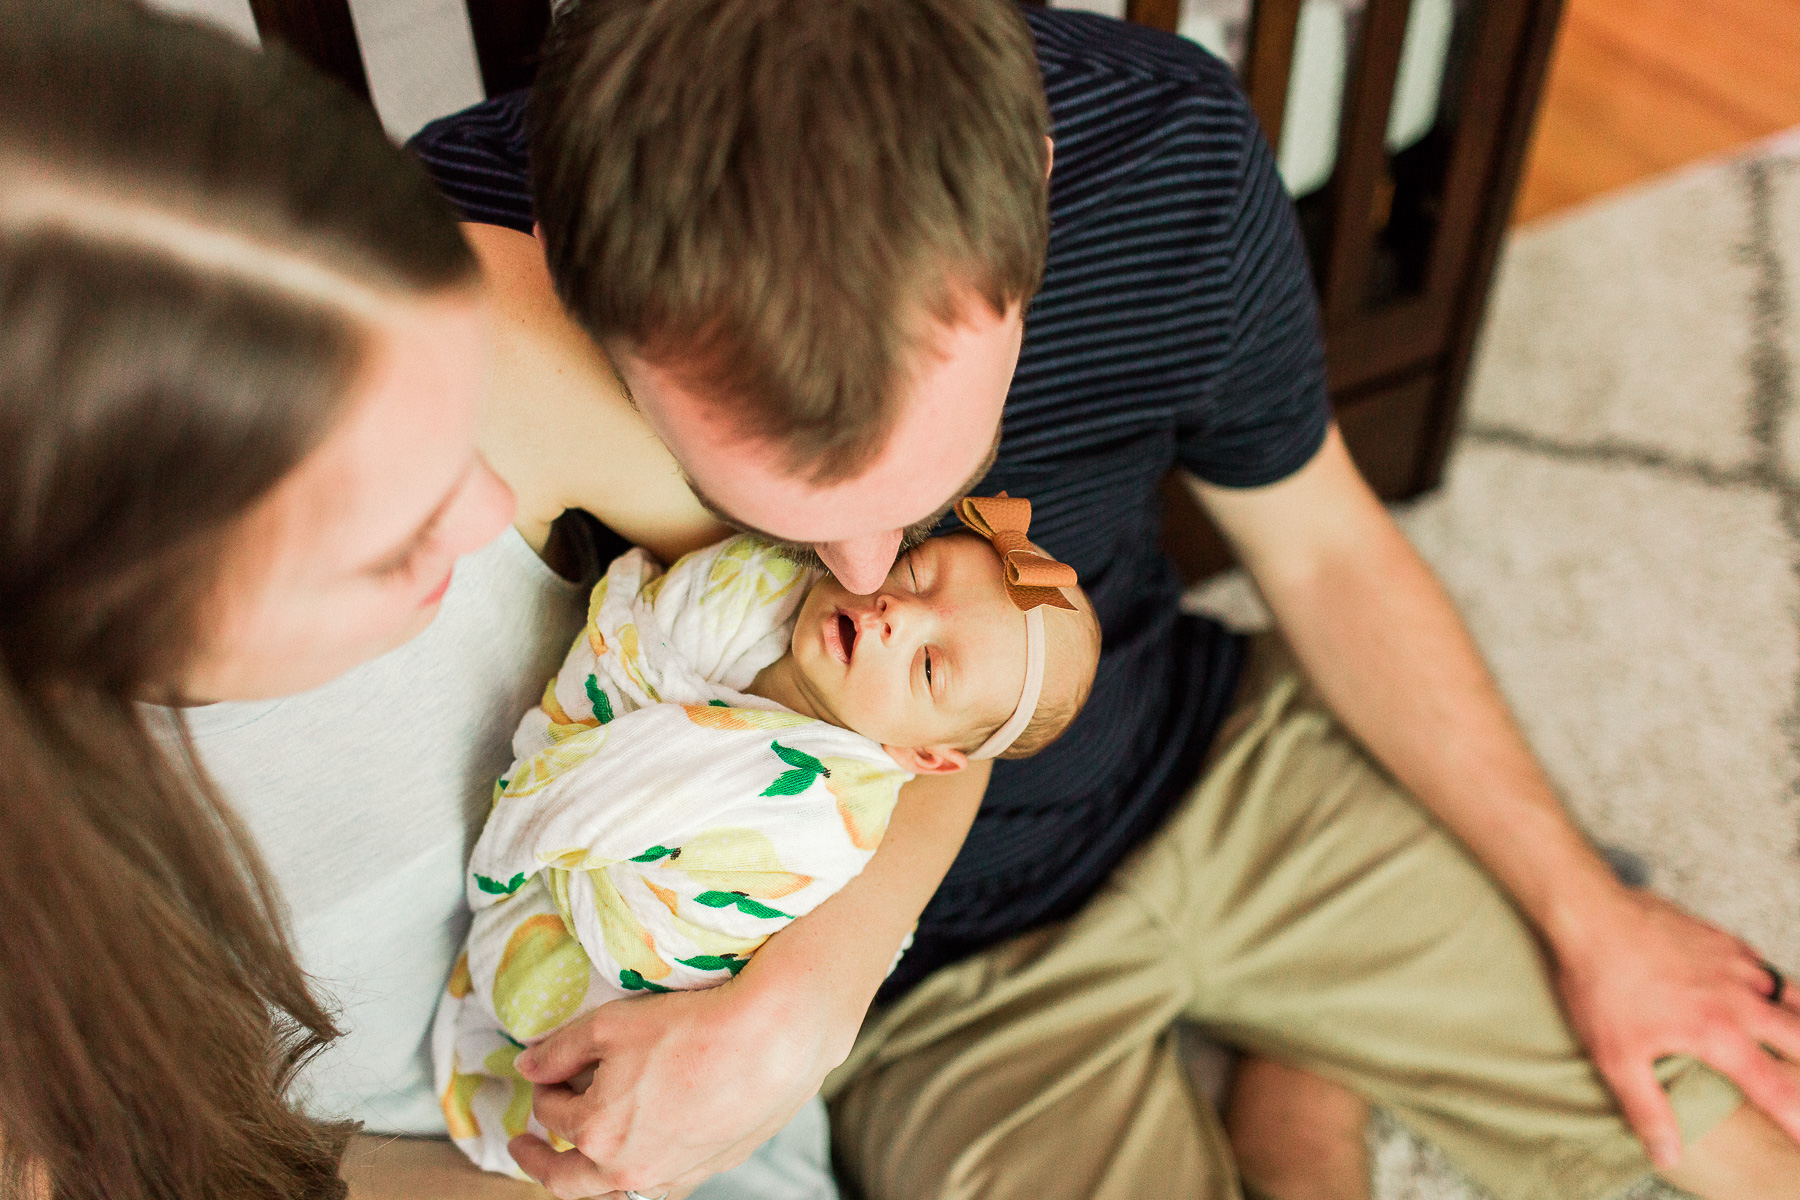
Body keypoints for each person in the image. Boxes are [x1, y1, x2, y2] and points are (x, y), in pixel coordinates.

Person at [404, 2, 1800, 1198]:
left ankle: (1295, 1082)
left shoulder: (1167, 152)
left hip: (1211, 760)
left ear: (1039, 189)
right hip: (933, 997)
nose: (871, 578)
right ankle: (1298, 1113)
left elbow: (1320, 547)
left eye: (930, 490)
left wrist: (1586, 912)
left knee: (1732, 1127)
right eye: (782, 520)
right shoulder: (449, 286)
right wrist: (808, 997)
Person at [0, 2, 508, 1196]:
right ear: (102, 627)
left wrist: (812, 988)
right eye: (394, 543)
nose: (496, 515)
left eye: (469, 427)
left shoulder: (350, 315)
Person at [435, 513, 1100, 1177]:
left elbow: (685, 930)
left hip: (612, 952)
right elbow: (628, 632)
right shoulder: (758, 581)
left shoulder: (824, 822)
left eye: (928, 667)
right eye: (918, 573)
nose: (898, 613)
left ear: (924, 755)